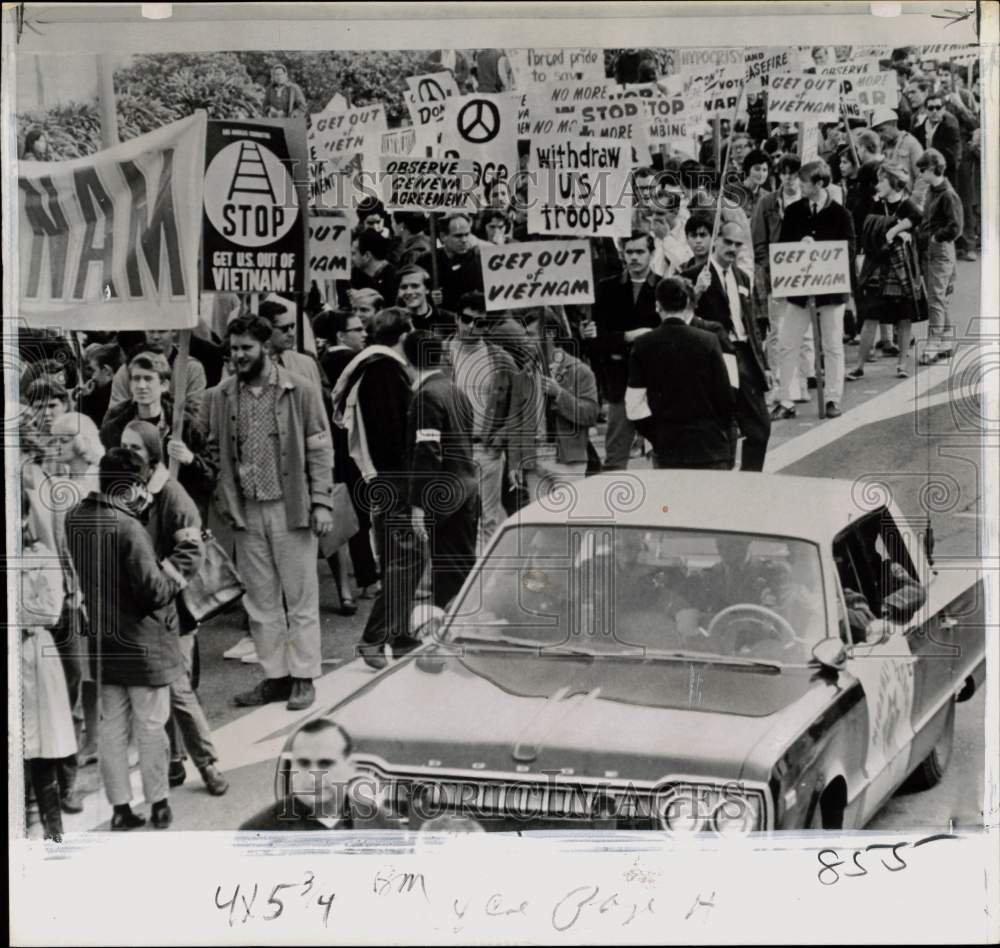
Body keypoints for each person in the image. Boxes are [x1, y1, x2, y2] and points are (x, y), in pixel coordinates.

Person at [205, 314, 335, 712]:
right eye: (233, 349)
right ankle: (276, 677)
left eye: (246, 348)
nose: (238, 355)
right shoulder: (222, 395)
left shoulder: (301, 389)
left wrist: (321, 502)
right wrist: (225, 499)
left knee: (300, 597)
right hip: (246, 509)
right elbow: (214, 450)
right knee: (260, 601)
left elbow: (319, 447)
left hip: (290, 505)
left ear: (266, 347)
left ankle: (304, 677)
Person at [66, 448, 186, 831]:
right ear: (131, 487)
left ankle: (120, 809)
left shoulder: (76, 517)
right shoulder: (129, 528)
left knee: (111, 729)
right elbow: (154, 591)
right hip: (144, 647)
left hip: (103, 645)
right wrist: (180, 568)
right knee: (151, 727)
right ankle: (159, 804)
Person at [118, 421, 229, 797]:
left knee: (177, 687)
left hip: (173, 608)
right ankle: (174, 760)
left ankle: (208, 763)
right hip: (142, 610)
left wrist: (159, 585)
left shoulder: (171, 494)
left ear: (152, 454)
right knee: (155, 686)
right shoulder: (125, 491)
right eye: (123, 446)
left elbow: (191, 550)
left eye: (135, 447)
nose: (128, 454)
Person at [331, 308, 414, 666]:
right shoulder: (384, 370)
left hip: (384, 477)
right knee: (406, 560)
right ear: (404, 335)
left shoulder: (373, 366)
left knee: (400, 559)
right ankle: (374, 638)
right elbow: (393, 431)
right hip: (395, 478)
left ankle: (400, 634)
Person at [684, 221, 771, 470]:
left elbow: (750, 323)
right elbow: (681, 315)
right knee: (723, 427)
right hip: (714, 355)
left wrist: (764, 364)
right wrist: (697, 292)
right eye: (728, 242)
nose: (732, 248)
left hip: (744, 354)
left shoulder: (742, 276)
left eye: (737, 244)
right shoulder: (692, 275)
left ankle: (749, 480)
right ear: (716, 241)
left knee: (760, 427)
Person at [774, 158, 856, 420]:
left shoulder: (841, 214)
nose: (800, 186)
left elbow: (848, 252)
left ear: (819, 183)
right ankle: (786, 399)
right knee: (788, 343)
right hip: (800, 292)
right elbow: (783, 246)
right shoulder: (793, 211)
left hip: (831, 292)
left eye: (805, 183)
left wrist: (818, 251)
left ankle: (833, 398)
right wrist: (800, 248)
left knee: (832, 344)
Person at [404, 329, 480, 612]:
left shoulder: (426, 396)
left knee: (449, 578)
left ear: (408, 358)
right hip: (466, 491)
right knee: (461, 570)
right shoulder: (455, 390)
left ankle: (454, 628)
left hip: (445, 499)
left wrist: (418, 504)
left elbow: (428, 452)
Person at [626, 276, 735, 470]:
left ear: (657, 306)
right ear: (686, 303)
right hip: (709, 446)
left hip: (667, 447)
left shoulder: (642, 344)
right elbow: (726, 396)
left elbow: (634, 405)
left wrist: (656, 436)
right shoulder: (709, 340)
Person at [20, 492, 77, 842]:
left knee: (42, 754)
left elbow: (50, 610)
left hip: (33, 656)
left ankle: (54, 837)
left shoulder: (40, 556)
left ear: (24, 518)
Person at [100, 351, 216, 519]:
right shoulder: (116, 422)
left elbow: (210, 478)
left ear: (164, 385)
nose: (141, 385)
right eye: (136, 379)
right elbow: (103, 470)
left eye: (148, 379)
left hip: (172, 509)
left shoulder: (183, 424)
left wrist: (190, 459)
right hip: (127, 509)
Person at [317, 310, 380, 609]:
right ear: (341, 335)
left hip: (329, 447)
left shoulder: (320, 362)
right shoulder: (354, 362)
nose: (364, 334)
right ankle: (368, 578)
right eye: (357, 329)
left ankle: (353, 580)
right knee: (359, 512)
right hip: (351, 445)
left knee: (342, 510)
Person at [446, 292, 516, 551]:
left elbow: (522, 403)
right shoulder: (440, 354)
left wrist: (503, 434)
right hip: (451, 449)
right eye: (467, 319)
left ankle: (486, 571)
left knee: (488, 518)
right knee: (453, 518)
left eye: (481, 322)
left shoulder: (500, 358)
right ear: (456, 319)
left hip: (486, 449)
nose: (473, 327)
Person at [585, 231, 660, 470]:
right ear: (622, 254)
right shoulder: (606, 288)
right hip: (620, 381)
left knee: (663, 454)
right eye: (629, 252)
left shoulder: (664, 286)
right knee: (616, 456)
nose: (634, 257)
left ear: (652, 253)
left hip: (656, 382)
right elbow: (595, 340)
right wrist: (627, 337)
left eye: (640, 252)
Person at [510, 310, 598, 504]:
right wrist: (514, 463)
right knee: (541, 518)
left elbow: (591, 414)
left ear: (550, 334)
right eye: (525, 335)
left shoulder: (579, 370)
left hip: (567, 460)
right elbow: (515, 421)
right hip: (535, 460)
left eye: (531, 335)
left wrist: (559, 394)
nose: (525, 341)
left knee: (569, 515)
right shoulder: (523, 376)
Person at [847, 164, 925, 380]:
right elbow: (868, 228)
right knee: (870, 316)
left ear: (893, 183)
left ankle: (902, 364)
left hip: (901, 269)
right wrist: (897, 228)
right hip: (878, 268)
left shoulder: (906, 204)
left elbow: (918, 216)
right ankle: (859, 365)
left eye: (882, 181)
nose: (877, 185)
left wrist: (893, 230)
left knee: (904, 317)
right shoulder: (875, 204)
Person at [751, 154, 815, 404]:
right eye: (783, 172)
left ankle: (804, 382)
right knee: (777, 331)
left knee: (805, 332)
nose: (788, 177)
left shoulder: (809, 200)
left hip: (805, 274)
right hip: (777, 277)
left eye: (793, 173)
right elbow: (758, 241)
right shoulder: (767, 202)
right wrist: (772, 268)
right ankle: (779, 385)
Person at [916, 147, 963, 365]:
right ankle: (946, 340)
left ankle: (932, 345)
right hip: (931, 250)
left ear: (933, 168)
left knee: (935, 298)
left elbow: (956, 227)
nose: (921, 174)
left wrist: (936, 237)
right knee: (939, 297)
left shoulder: (947, 195)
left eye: (923, 169)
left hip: (940, 251)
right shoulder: (932, 191)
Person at [106, 329, 207, 416]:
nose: (155, 337)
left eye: (162, 331)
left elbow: (196, 412)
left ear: (174, 331)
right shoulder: (127, 369)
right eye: (151, 331)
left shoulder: (191, 368)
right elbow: (115, 412)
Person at [257, 298, 328, 396]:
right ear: (265, 329)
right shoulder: (250, 363)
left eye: (292, 326)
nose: (291, 333)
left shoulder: (306, 361)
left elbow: (321, 397)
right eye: (284, 328)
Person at [417, 212, 484, 314]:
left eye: (467, 234)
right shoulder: (426, 260)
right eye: (458, 236)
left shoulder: (477, 259)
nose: (464, 240)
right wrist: (428, 298)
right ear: (443, 236)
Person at [871, 106, 926, 208]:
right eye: (877, 131)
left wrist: (913, 202)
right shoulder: (881, 148)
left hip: (907, 202)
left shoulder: (911, 144)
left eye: (882, 130)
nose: (880, 135)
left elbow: (922, 176)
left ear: (894, 124)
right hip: (889, 204)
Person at [907, 82, 962, 183]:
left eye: (938, 107)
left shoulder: (950, 129)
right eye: (931, 108)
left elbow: (954, 159)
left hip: (944, 177)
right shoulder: (917, 131)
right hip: (924, 177)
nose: (934, 111)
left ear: (943, 109)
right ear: (926, 110)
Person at [396, 265, 454, 335]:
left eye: (415, 286)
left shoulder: (450, 320)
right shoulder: (394, 323)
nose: (409, 292)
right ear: (398, 292)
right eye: (404, 287)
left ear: (427, 289)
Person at [77, 342, 122, 426]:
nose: (93, 377)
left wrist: (85, 399)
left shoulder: (100, 400)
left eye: (94, 370)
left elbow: (86, 426)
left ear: (106, 370)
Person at [351, 228, 399, 306]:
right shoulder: (355, 274)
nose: (350, 258)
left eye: (353, 254)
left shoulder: (393, 280)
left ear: (367, 256)